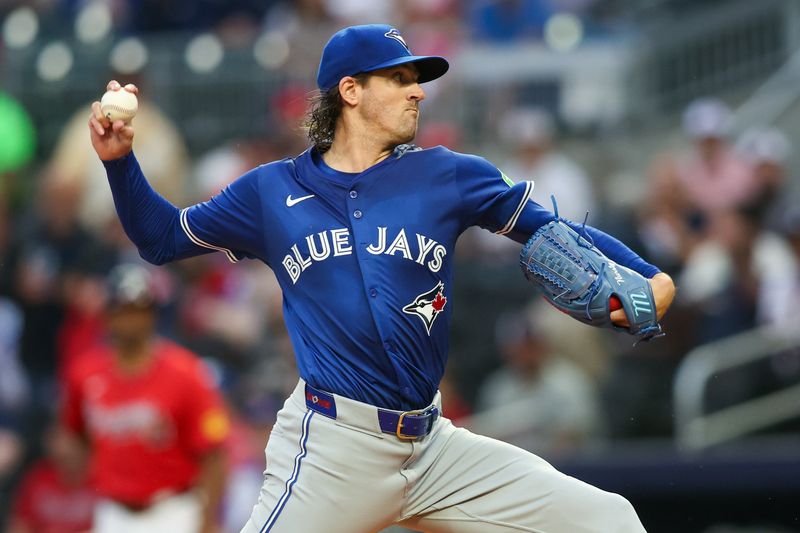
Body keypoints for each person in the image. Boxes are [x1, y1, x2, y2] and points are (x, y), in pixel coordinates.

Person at [88, 24, 675, 533]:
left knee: (609, 521)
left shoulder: (447, 175)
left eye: (417, 78)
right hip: (333, 450)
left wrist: (649, 276)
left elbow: (556, 231)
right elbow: (161, 239)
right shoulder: (271, 191)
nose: (418, 89)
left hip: (432, 449)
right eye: (398, 78)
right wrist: (120, 164)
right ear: (350, 91)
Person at [61, 264, 229, 533]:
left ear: (153, 315)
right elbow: (73, 433)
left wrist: (208, 522)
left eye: (140, 310)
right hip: (112, 512)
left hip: (174, 511)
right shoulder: (84, 374)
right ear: (108, 316)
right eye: (124, 310)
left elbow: (214, 456)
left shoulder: (186, 372)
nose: (132, 320)